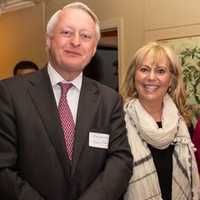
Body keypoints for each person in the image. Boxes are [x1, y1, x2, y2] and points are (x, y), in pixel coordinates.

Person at [0, 2, 133, 200]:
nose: (76, 42)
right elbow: (3, 167)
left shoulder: (109, 100)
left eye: (86, 36)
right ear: (49, 40)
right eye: (66, 32)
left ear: (94, 48)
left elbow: (120, 161)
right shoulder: (10, 93)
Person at [121, 42, 200, 200]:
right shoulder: (118, 123)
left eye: (161, 71)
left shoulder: (183, 124)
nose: (151, 77)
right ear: (134, 76)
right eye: (144, 69)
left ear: (171, 80)